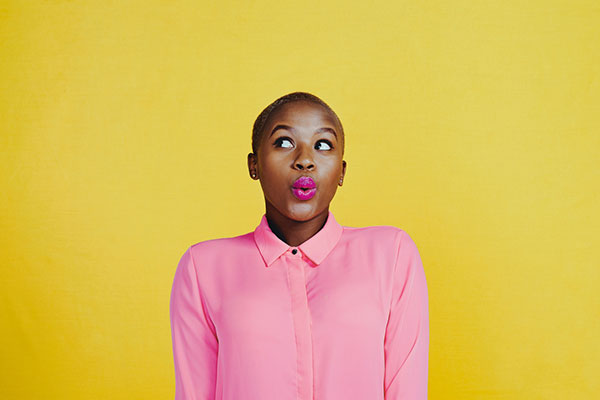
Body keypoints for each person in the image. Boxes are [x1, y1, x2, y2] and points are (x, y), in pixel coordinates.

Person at [169, 92, 429, 399]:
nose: (304, 160)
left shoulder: (392, 255)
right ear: (254, 165)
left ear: (341, 171)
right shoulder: (203, 267)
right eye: (284, 142)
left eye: (322, 145)